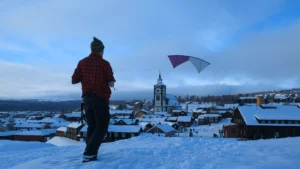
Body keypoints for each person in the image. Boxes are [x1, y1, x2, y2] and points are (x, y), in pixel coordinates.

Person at [71, 37, 116, 162]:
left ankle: (90, 154)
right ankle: (89, 153)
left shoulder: (82, 62)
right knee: (102, 127)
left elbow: (74, 80)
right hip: (100, 98)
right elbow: (111, 83)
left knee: (92, 126)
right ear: (101, 51)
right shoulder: (105, 64)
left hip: (86, 99)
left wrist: (86, 78)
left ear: (92, 50)